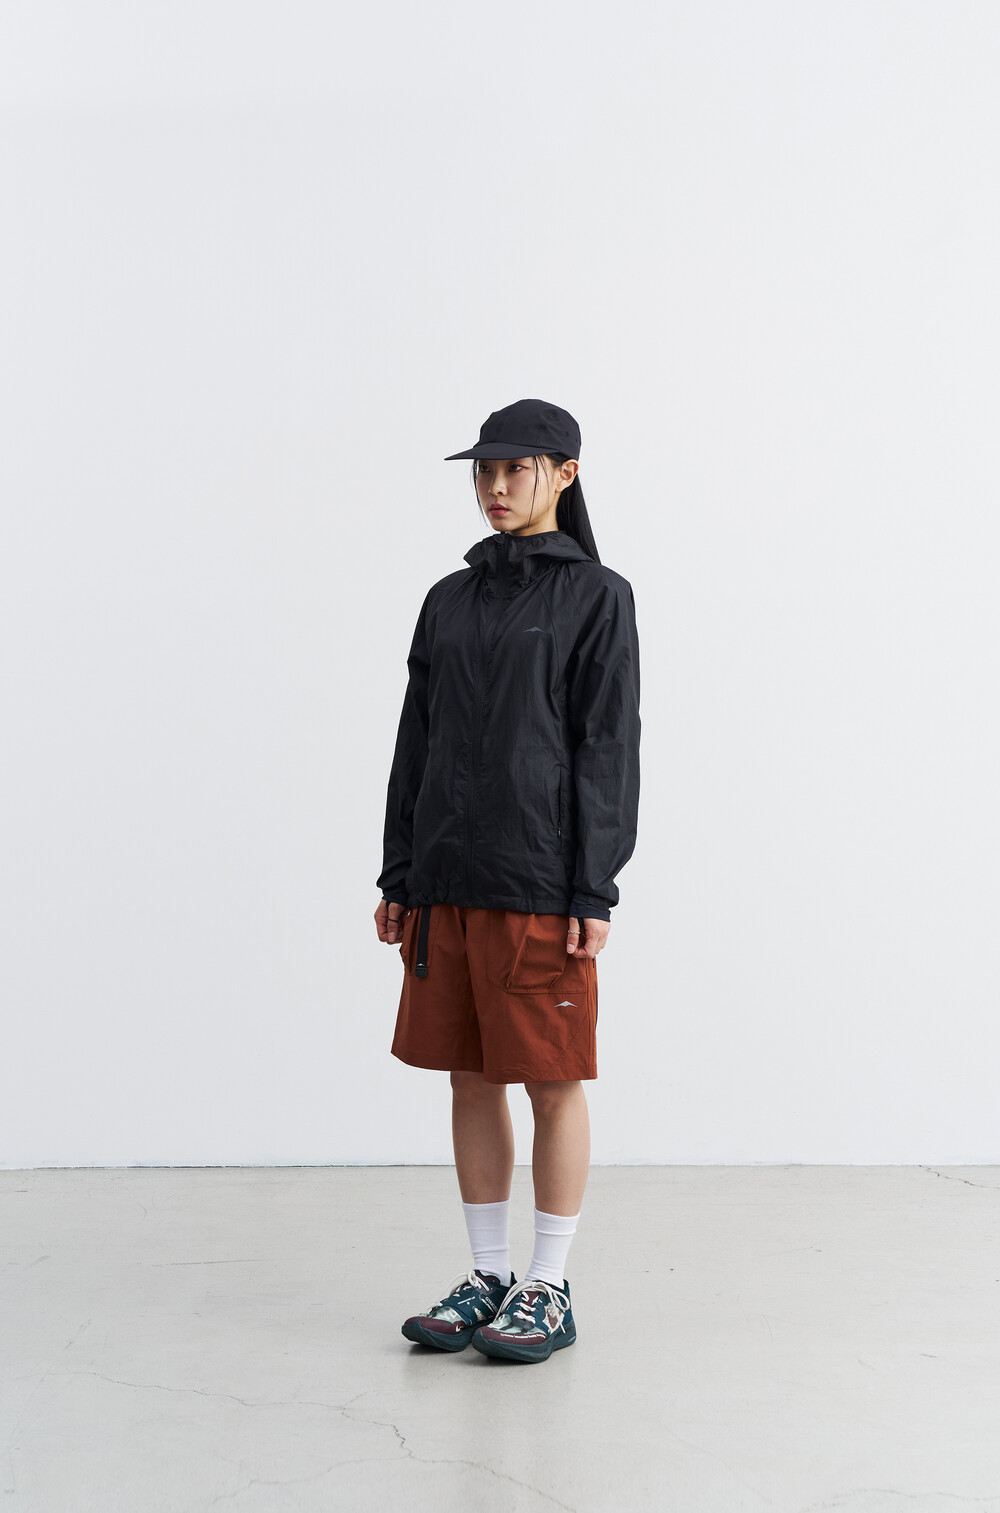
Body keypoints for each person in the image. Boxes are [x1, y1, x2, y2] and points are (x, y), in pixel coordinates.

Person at [374, 397, 641, 1364]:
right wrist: (401, 870)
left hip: (539, 881)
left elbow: (608, 747)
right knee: (469, 1075)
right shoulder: (448, 598)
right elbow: (417, 739)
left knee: (552, 1080)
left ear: (564, 473)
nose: (494, 486)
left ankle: (549, 1284)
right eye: (483, 470)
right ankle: (488, 1273)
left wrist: (593, 887)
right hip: (447, 877)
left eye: (514, 469)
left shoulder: (598, 596)